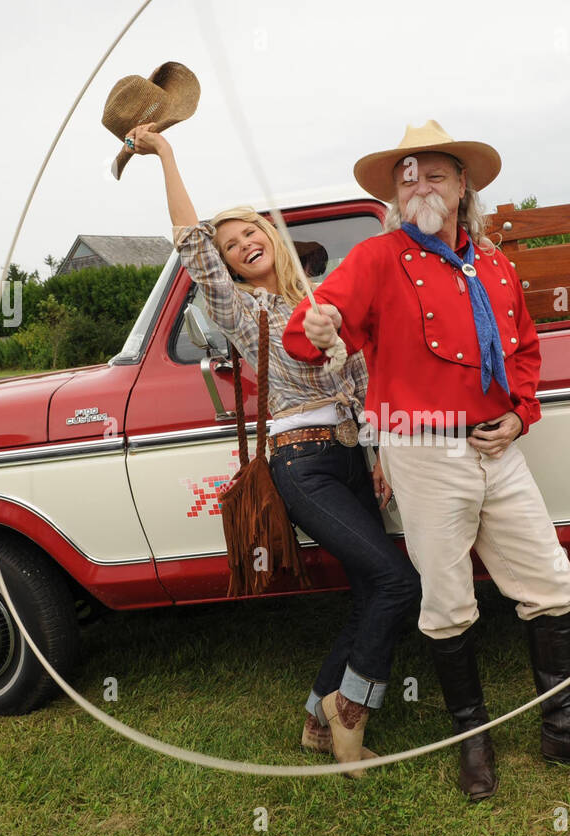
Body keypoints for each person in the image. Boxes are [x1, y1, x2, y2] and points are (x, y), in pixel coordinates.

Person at [283, 120, 570, 801]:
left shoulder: (497, 266)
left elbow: (526, 352)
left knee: (551, 583)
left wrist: (519, 413)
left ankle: (564, 727)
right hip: (422, 452)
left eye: (434, 173)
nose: (419, 184)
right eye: (407, 175)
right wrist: (316, 325)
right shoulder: (378, 258)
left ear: (462, 187)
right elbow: (315, 330)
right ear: (396, 195)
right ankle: (472, 742)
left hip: (496, 449)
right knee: (447, 606)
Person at [125, 122, 420, 777]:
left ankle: (317, 718)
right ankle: (350, 716)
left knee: (375, 586)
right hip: (302, 464)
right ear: (227, 264)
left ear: (272, 235)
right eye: (231, 245)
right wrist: (166, 156)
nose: (241, 244)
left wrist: (380, 460)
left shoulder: (325, 299)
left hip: (350, 457)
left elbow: (362, 385)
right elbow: (188, 243)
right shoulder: (241, 309)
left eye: (250, 231)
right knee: (400, 581)